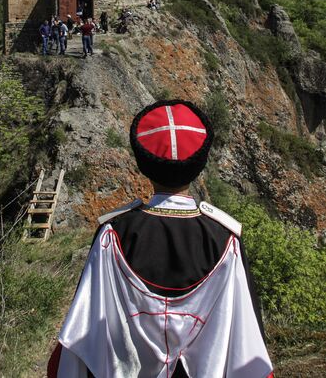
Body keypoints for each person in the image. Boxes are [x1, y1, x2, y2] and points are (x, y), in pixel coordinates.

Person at [47, 100, 274, 378]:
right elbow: (246, 335)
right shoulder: (225, 239)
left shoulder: (114, 234)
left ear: (143, 164)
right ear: (200, 164)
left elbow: (86, 327)